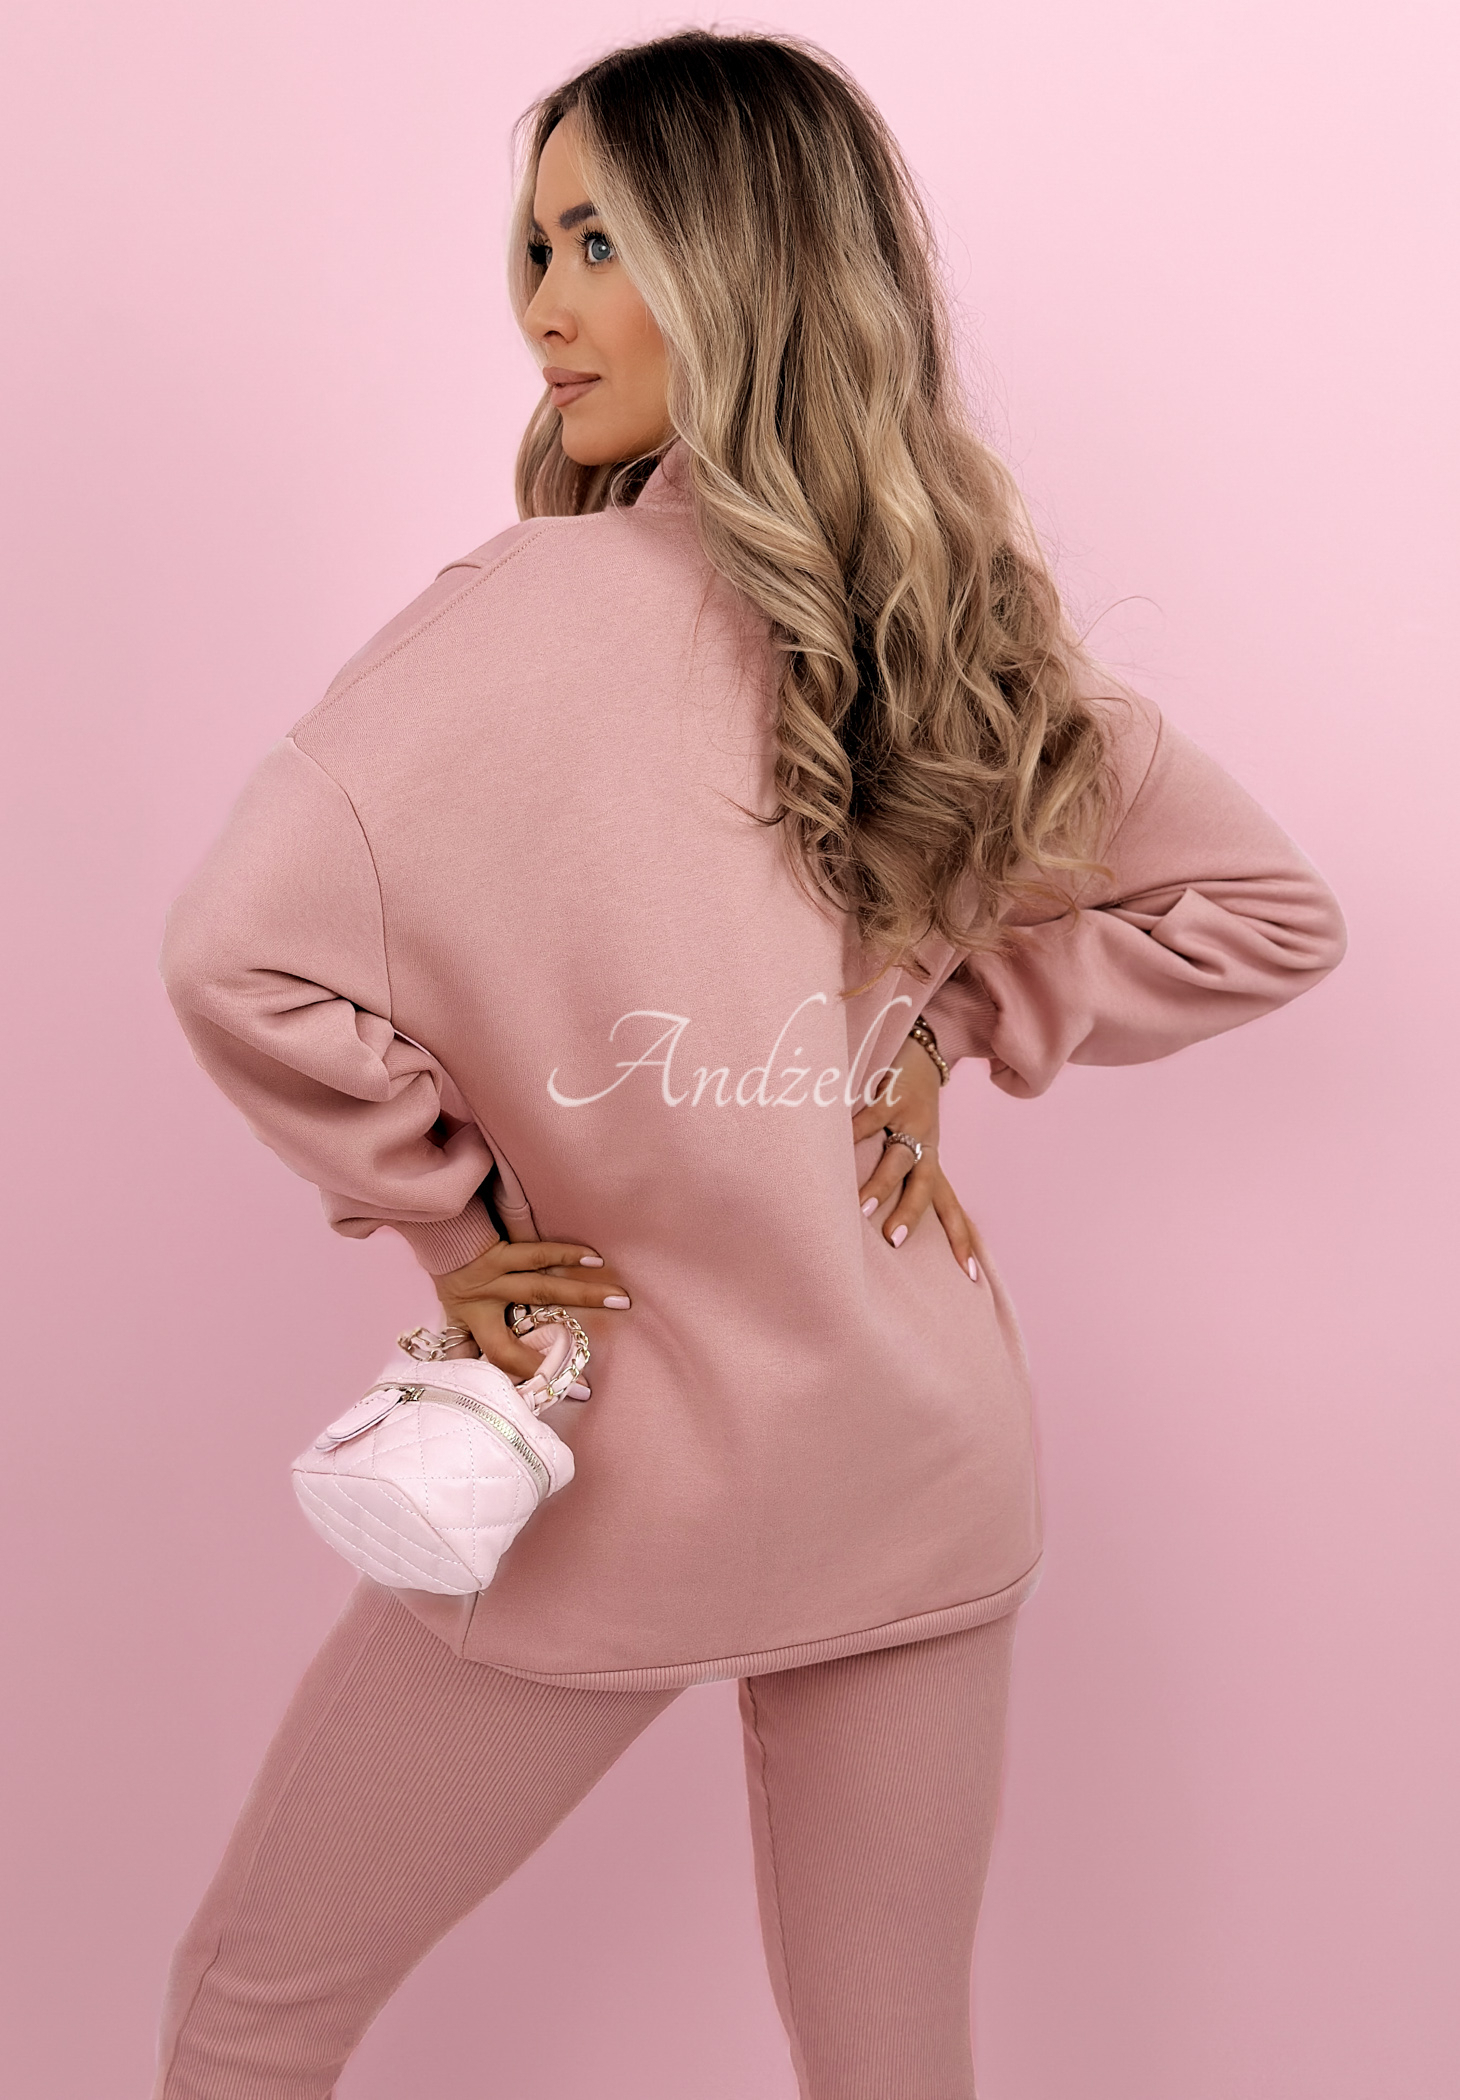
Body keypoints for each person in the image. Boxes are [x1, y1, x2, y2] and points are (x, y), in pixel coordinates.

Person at [151, 30, 1344, 2100]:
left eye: (602, 241)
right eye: (535, 244)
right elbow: (1269, 913)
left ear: (746, 265)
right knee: (894, 2059)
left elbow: (231, 951)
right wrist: (944, 1026)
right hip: (921, 1455)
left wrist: (456, 1225)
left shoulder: (515, 618)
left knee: (255, 2009)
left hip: (615, 1478)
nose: (543, 304)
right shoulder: (954, 626)